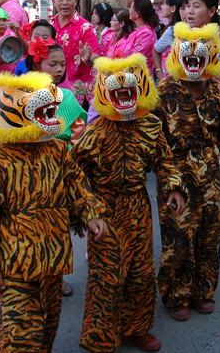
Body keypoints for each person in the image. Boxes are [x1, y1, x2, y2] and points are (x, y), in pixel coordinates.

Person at [0, 71, 107, 352]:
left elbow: (76, 182)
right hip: (15, 265)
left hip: (53, 259)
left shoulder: (56, 149)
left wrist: (91, 212)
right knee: (20, 337)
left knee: (47, 328)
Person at [75, 54, 187, 353]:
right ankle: (99, 337)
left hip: (138, 205)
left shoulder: (150, 124)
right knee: (108, 275)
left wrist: (174, 187)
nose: (124, 90)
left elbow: (164, 159)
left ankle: (136, 327)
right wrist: (88, 213)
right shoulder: (95, 134)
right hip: (106, 209)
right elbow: (76, 179)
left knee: (141, 272)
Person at [154, 21, 220, 321]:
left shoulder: (216, 91)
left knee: (211, 235)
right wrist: (168, 180)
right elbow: (155, 140)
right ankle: (176, 295)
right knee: (179, 238)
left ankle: (203, 291)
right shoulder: (164, 90)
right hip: (177, 174)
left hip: (212, 174)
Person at [24, 39, 87, 142]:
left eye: (62, 65)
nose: (59, 69)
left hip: (65, 153)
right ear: (36, 66)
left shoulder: (67, 96)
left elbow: (77, 136)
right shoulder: (24, 96)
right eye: (53, 65)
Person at [51, 0, 101, 103]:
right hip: (52, 92)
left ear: (76, 0)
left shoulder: (86, 28)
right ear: (53, 1)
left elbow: (96, 57)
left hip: (77, 95)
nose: (64, 3)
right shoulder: (49, 27)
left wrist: (87, 58)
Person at [153, 0, 185, 80]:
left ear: (173, 8)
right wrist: (160, 74)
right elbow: (156, 50)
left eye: (165, 4)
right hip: (170, 81)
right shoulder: (171, 31)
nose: (162, 7)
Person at [127, 0, 159, 74]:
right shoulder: (139, 31)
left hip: (141, 79)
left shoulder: (146, 34)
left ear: (137, 13)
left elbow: (135, 59)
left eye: (131, 7)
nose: (129, 10)